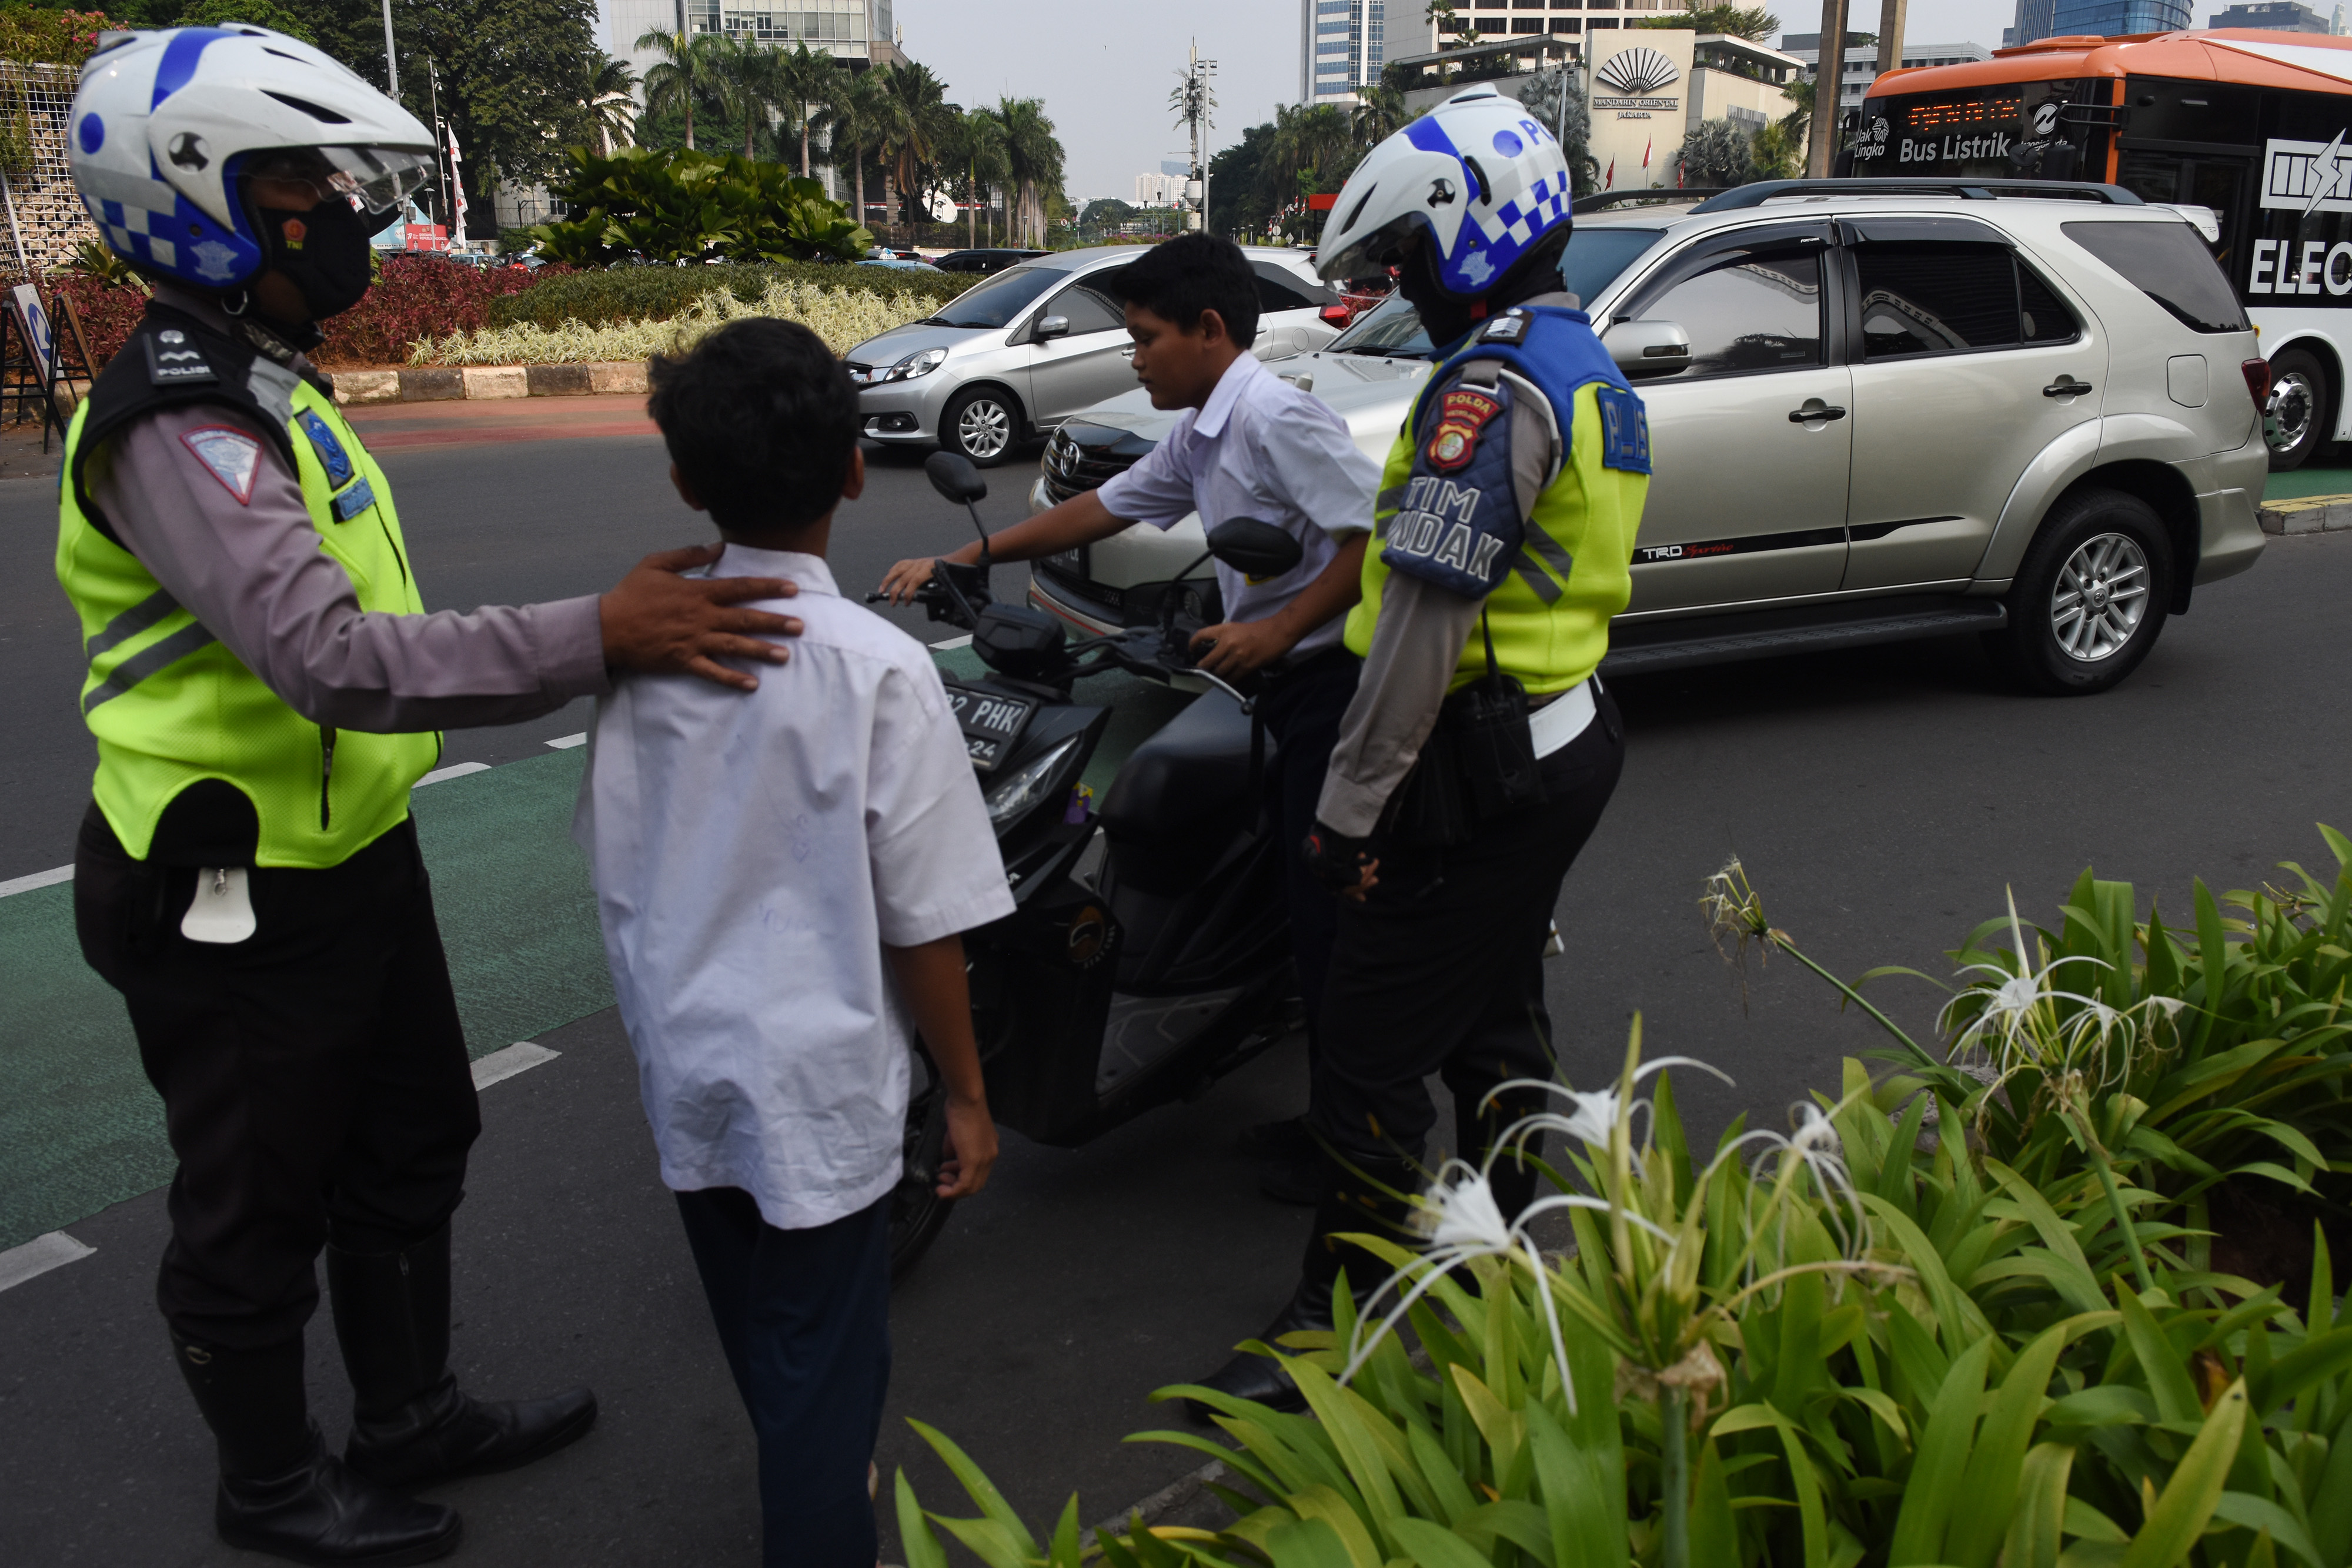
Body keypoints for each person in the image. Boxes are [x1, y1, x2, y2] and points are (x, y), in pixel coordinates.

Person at [58, 29, 806, 1564]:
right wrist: (598, 634)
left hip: (347, 848)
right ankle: (269, 1484)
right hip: (229, 876)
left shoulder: (260, 381)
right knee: (255, 1191)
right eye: (300, 182)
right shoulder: (181, 420)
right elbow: (327, 655)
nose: (339, 209)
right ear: (193, 201)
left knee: (409, 1136)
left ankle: (409, 1412)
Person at [1189, 84, 1651, 1411]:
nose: (1398, 280)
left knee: (1371, 1043)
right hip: (1559, 742)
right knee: (1495, 1017)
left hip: (1472, 763)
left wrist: (1344, 816)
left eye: (1404, 256)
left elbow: (1418, 636)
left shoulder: (1489, 393)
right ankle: (1505, 1248)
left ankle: (1336, 1324)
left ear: (1469, 236)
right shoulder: (1582, 366)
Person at [576, 316, 1013, 1568]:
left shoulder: (638, 651)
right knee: (825, 1368)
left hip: (686, 1056)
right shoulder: (878, 666)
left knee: (767, 1336)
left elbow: (616, 860)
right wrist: (970, 1096)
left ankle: (814, 1478)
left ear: (683, 480)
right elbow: (923, 917)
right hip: (819, 1082)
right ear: (853, 469)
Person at [878, 233, 1380, 1202]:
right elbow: (1104, 508)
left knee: (1326, 918)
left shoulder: (1277, 420)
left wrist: (1275, 634)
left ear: (1209, 329)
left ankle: (1347, 1139)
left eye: (1145, 338)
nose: (1134, 357)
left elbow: (1373, 539)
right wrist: (965, 560)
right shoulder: (1205, 431)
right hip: (1271, 676)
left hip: (1331, 686)